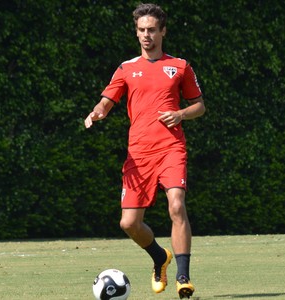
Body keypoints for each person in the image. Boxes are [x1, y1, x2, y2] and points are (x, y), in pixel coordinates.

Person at [85, 3, 205, 299]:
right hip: (138, 155)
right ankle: (158, 257)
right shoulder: (126, 68)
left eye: (152, 29)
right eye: (141, 30)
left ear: (163, 31)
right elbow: (107, 100)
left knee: (176, 205)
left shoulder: (180, 66)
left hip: (171, 148)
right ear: (136, 32)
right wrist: (98, 112)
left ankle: (182, 277)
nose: (146, 35)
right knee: (129, 223)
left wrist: (180, 114)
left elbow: (199, 106)